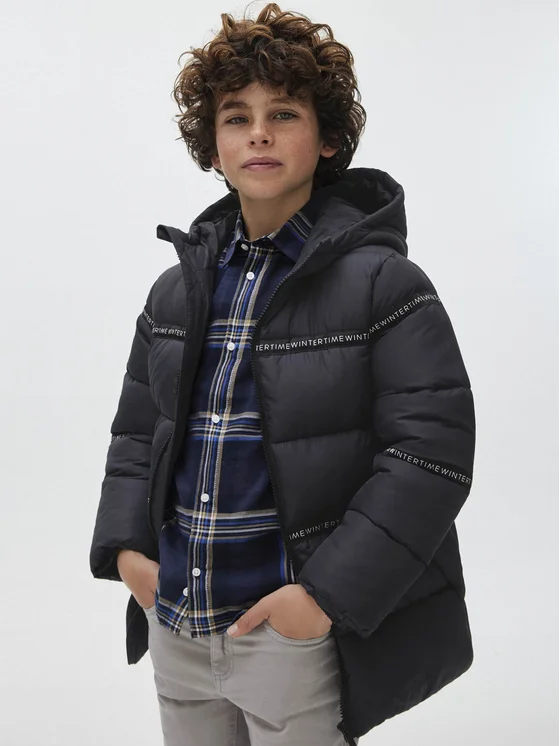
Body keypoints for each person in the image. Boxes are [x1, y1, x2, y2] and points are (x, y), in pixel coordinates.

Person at [89, 3, 477, 745]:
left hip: (289, 633)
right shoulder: (175, 292)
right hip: (177, 621)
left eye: (284, 114)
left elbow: (429, 455)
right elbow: (137, 434)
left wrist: (322, 598)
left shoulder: (385, 285)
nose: (258, 133)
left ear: (328, 140)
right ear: (213, 146)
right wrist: (129, 552)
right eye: (236, 117)